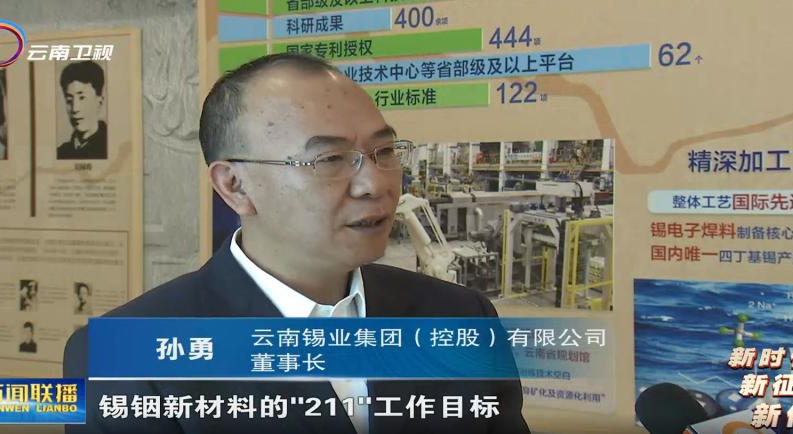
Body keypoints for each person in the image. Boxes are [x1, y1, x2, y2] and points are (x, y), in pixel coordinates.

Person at [64, 53, 528, 434]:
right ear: (235, 186)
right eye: (330, 159)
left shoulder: (459, 315)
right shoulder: (125, 358)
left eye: (384, 151)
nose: (374, 183)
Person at [57, 61, 107, 160]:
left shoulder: (111, 148)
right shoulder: (61, 153)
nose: (75, 109)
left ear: (99, 102)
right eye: (69, 100)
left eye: (82, 98)